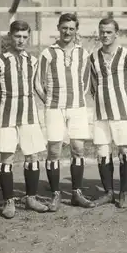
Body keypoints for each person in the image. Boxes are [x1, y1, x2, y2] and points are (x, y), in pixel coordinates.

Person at [0, 20, 50, 218]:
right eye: (17, 36)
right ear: (9, 36)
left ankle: (31, 197)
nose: (21, 40)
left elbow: (38, 87)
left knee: (32, 156)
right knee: (7, 158)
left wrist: (50, 103)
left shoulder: (33, 60)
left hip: (29, 116)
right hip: (7, 117)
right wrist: (7, 104)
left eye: (24, 37)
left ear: (28, 38)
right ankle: (9, 201)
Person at [35, 13, 95, 211]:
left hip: (77, 107)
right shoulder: (48, 53)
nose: (67, 32)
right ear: (58, 28)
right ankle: (55, 194)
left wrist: (77, 98)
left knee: (78, 148)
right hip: (54, 108)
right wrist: (49, 101)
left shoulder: (83, 54)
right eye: (64, 28)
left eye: (71, 28)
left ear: (76, 30)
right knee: (54, 151)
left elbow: (85, 82)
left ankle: (77, 193)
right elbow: (37, 82)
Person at [88, 18, 127, 208]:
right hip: (101, 112)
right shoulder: (93, 57)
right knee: (103, 152)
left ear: (116, 33)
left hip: (122, 112)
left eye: (109, 32)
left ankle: (124, 193)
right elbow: (93, 85)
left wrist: (123, 99)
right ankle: (108, 193)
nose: (105, 35)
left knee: (125, 151)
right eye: (102, 31)